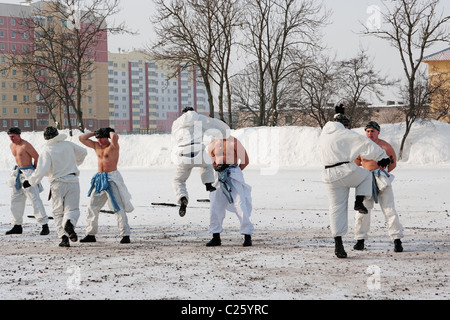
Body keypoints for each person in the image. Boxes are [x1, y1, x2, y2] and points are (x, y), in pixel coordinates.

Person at [319, 107, 390, 258]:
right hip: (345, 170)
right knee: (366, 176)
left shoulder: (325, 133)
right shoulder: (345, 133)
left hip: (329, 175)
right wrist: (382, 157)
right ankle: (359, 201)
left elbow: (338, 123)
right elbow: (364, 144)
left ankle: (338, 243)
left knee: (336, 208)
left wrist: (339, 114)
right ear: (344, 125)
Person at [23, 127, 88, 247]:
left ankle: (63, 238)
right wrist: (75, 162)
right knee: (72, 209)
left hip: (58, 184)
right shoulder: (68, 145)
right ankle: (69, 223)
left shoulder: (47, 150)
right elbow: (84, 152)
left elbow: (41, 170)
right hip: (73, 181)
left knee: (58, 212)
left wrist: (30, 181)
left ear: (46, 137)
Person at [353, 121, 404, 252]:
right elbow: (356, 162)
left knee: (389, 209)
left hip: (382, 180)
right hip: (365, 180)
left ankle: (397, 239)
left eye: (372, 131)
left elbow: (392, 164)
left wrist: (382, 174)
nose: (370, 133)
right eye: (368, 131)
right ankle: (360, 239)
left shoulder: (385, 146)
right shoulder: (361, 146)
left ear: (378, 132)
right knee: (363, 210)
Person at [171, 107, 230, 217]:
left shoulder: (176, 123)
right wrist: (225, 133)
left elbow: (174, 137)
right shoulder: (200, 118)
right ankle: (208, 183)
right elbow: (215, 124)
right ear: (193, 111)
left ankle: (182, 197)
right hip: (198, 150)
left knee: (178, 179)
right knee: (206, 165)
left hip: (183, 154)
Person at [78, 127, 134, 244]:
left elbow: (114, 137)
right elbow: (81, 138)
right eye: (97, 138)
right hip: (99, 179)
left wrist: (109, 131)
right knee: (92, 207)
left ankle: (125, 234)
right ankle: (90, 234)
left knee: (117, 207)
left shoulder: (113, 146)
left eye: (101, 138)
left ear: (106, 137)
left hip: (111, 178)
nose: (99, 140)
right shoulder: (96, 146)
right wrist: (94, 133)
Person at [205, 135, 254, 247]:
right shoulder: (213, 143)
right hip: (218, 175)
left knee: (240, 204)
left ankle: (247, 236)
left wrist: (235, 170)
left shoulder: (234, 142)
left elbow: (245, 160)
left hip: (233, 174)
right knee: (215, 205)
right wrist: (217, 168)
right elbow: (211, 160)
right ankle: (216, 237)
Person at [5, 127, 49, 236]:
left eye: (13, 136)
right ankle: (17, 226)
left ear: (19, 135)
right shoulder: (12, 145)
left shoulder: (26, 145)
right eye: (10, 137)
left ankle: (44, 225)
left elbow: (37, 157)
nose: (11, 139)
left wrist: (34, 172)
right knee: (15, 200)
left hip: (28, 173)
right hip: (18, 174)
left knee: (35, 200)